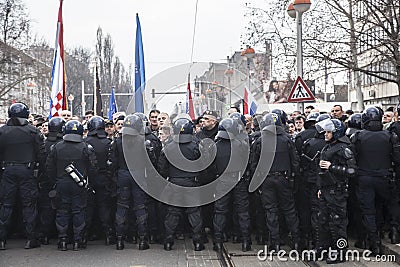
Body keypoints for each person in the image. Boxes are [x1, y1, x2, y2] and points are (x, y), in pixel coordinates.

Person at [351, 107, 400, 255]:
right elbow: (397, 159)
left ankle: (375, 243)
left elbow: (352, 158)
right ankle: (393, 232)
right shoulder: (390, 136)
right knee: (387, 205)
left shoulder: (358, 137)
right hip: (385, 177)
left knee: (368, 211)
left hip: (365, 177)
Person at [250, 113, 300, 254]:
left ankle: (275, 243)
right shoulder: (287, 139)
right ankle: (296, 241)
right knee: (289, 210)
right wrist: (294, 178)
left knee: (271, 211)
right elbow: (295, 161)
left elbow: (254, 164)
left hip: (266, 179)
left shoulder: (260, 141)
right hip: (284, 178)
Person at [0, 102, 46, 250]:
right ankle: (30, 238)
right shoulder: (32, 131)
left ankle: (2, 239)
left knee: (6, 205)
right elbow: (41, 155)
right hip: (27, 171)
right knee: (29, 205)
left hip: (7, 170)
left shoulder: (2, 132)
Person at [46, 120, 97, 251]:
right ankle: (77, 241)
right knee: (78, 211)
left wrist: (55, 182)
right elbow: (93, 168)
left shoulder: (56, 147)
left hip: (61, 182)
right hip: (79, 184)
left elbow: (49, 168)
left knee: (62, 211)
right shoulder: (86, 147)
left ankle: (62, 240)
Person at [159, 118, 204, 251]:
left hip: (174, 183)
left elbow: (162, 168)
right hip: (191, 183)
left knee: (173, 213)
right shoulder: (197, 146)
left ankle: (168, 241)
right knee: (194, 212)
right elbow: (203, 165)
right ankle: (197, 242)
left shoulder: (168, 147)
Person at [315, 118, 356, 263]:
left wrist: (332, 166)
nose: (325, 134)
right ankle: (323, 249)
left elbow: (352, 170)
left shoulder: (343, 148)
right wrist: (320, 187)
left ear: (336, 132)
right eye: (325, 132)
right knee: (323, 220)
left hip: (337, 191)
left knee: (338, 223)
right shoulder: (327, 147)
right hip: (326, 190)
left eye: (328, 132)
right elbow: (320, 170)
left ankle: (341, 252)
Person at [109, 114, 152, 250]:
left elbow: (112, 163)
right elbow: (151, 163)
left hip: (123, 174)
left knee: (121, 207)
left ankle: (120, 241)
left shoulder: (117, 141)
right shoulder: (144, 141)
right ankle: (142, 240)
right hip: (138, 174)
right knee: (140, 208)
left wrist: (115, 177)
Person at [211, 118, 251, 252]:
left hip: (222, 180)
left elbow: (211, 166)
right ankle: (246, 241)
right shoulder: (242, 144)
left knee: (220, 211)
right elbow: (248, 163)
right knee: (243, 211)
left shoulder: (215, 145)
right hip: (238, 179)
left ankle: (217, 242)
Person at [84, 116, 114, 245]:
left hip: (88, 179)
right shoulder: (108, 143)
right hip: (104, 178)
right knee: (104, 207)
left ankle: (85, 235)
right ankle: (108, 234)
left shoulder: (84, 142)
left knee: (88, 207)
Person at [37, 117, 65, 245]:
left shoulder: (44, 144)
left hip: (46, 180)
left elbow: (41, 162)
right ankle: (62, 235)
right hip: (61, 179)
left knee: (46, 208)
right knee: (63, 209)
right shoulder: (64, 144)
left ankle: (45, 235)